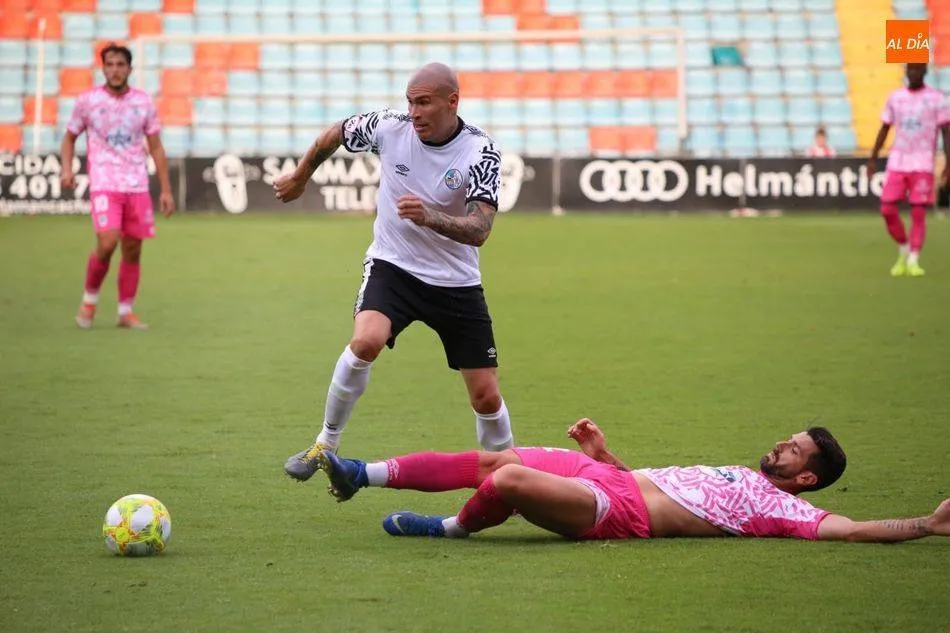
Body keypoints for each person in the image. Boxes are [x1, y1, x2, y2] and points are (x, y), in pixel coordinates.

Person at [273, 62, 513, 482]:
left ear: (452, 102)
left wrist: (430, 218)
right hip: (394, 266)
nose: (415, 111)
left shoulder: (481, 151)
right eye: (410, 101)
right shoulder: (389, 127)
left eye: (424, 102)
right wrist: (299, 176)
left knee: (486, 394)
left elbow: (480, 230)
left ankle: (511, 477)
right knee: (366, 340)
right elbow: (336, 134)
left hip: (455, 281)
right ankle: (324, 445)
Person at [312, 418, 950, 544]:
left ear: (806, 477)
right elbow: (651, 481)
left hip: (614, 516)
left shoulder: (787, 513)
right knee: (493, 458)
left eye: (794, 450)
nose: (781, 444)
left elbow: (852, 528)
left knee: (506, 480)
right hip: (604, 477)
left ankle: (451, 529)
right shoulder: (734, 469)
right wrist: (606, 453)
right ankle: (358, 474)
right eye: (788, 437)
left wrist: (927, 522)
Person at [62, 43, 175, 330]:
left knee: (133, 248)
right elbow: (69, 137)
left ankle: (125, 311)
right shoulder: (87, 101)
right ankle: (89, 303)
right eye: (110, 64)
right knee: (107, 242)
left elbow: (157, 147)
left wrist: (165, 189)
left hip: (136, 184)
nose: (115, 70)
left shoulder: (143, 102)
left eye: (120, 64)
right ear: (103, 68)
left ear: (130, 69)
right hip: (104, 182)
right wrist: (67, 168)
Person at [868, 63, 950, 278]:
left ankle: (913, 259)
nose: (912, 73)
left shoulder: (937, 99)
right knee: (887, 209)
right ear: (905, 73)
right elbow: (884, 128)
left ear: (925, 72)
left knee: (918, 212)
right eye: (909, 70)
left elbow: (946, 132)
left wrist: (948, 163)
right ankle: (904, 246)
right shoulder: (895, 97)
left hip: (922, 163)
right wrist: (873, 158)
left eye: (917, 70)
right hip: (898, 161)